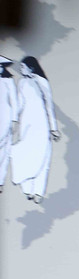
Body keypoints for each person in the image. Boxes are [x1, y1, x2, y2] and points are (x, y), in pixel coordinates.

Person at [11, 56, 60, 204]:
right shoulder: (21, 83)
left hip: (41, 125)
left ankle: (38, 191)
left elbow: (49, 106)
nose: (21, 69)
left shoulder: (41, 82)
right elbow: (19, 104)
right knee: (25, 153)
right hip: (26, 125)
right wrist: (13, 121)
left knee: (42, 156)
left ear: (31, 67)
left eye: (23, 67)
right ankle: (27, 189)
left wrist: (54, 128)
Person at [0, 56, 15, 193]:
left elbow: (14, 101)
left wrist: (14, 119)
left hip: (5, 119)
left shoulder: (8, 81)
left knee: (4, 152)